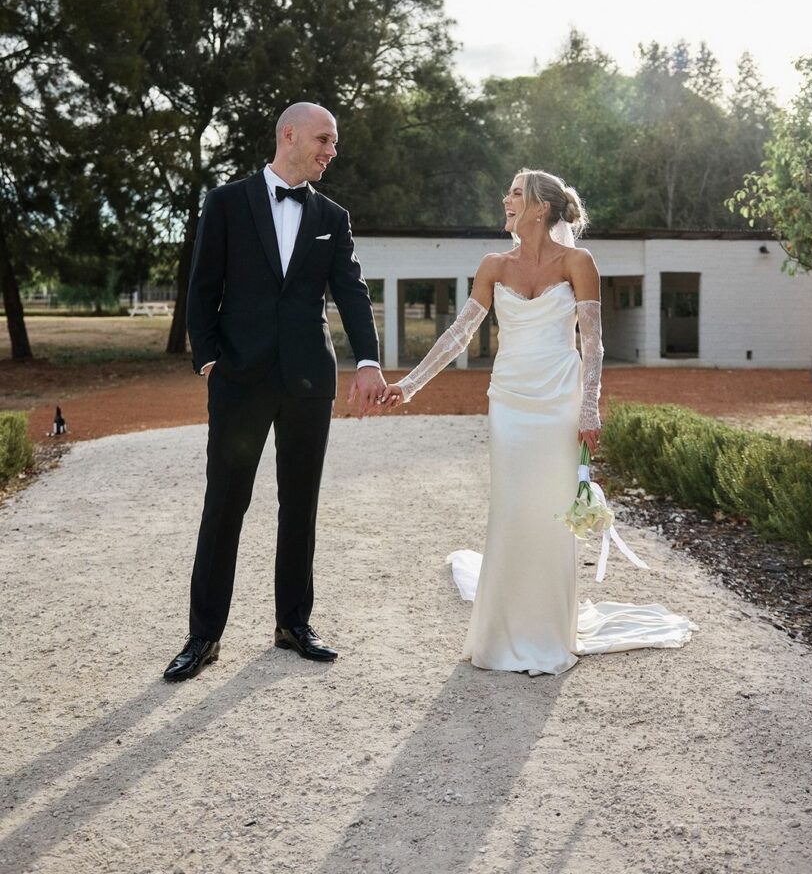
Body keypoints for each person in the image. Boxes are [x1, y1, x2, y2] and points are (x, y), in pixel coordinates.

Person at [382, 169, 697, 675]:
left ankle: (551, 628)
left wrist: (590, 407)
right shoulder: (492, 264)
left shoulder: (579, 262)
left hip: (558, 401)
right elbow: (459, 334)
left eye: (514, 192)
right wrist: (409, 384)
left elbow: (593, 341)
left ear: (540, 208)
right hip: (509, 401)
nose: (505, 199)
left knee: (552, 512)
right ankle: (501, 631)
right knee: (510, 508)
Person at [164, 103, 386, 681]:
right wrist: (210, 357)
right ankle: (203, 636)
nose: (331, 151)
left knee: (300, 503)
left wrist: (367, 360)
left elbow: (352, 292)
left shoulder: (332, 216)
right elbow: (202, 286)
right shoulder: (226, 202)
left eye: (333, 143)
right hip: (239, 380)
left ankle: (293, 624)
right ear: (289, 135)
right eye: (324, 140)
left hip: (309, 381)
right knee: (225, 505)